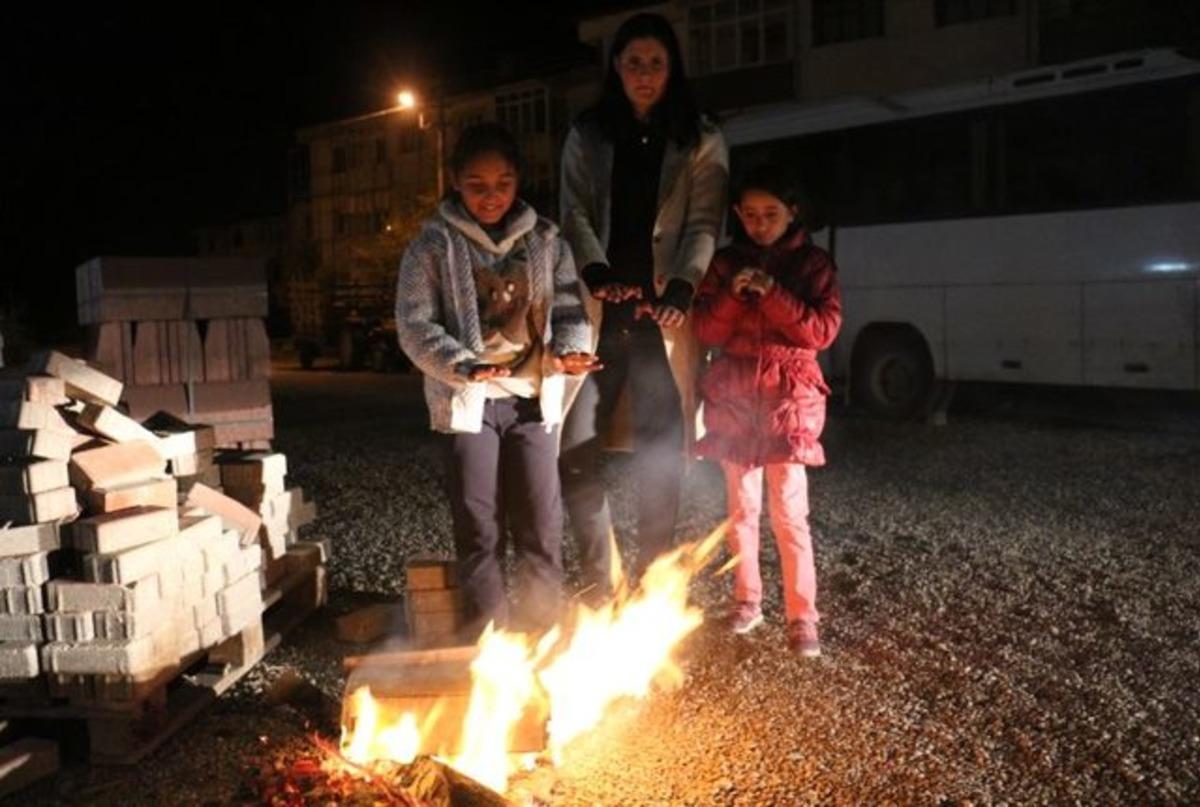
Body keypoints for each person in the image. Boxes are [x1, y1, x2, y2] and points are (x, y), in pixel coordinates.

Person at [395, 122, 599, 638]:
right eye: (478, 184)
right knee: (480, 528)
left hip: (533, 401)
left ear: (519, 181)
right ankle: (489, 642)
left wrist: (572, 351)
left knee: (540, 526)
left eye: (503, 183)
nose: (491, 196)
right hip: (469, 404)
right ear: (456, 182)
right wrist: (463, 366)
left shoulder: (547, 241)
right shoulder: (432, 246)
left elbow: (573, 307)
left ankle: (540, 635)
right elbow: (414, 325)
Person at [559, 12, 728, 594]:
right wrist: (596, 269)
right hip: (600, 313)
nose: (645, 75)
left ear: (672, 67)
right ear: (616, 67)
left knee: (661, 447)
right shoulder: (589, 132)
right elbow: (575, 209)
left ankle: (652, 576)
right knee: (574, 441)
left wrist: (683, 283)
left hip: (662, 316)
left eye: (656, 63)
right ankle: (600, 578)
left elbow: (705, 221)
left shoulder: (699, 136)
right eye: (633, 63)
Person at [692, 164, 843, 657]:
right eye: (751, 214)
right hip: (736, 394)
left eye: (771, 214)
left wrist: (773, 294)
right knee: (741, 510)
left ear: (792, 213)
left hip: (788, 397)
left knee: (790, 513)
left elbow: (820, 333)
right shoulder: (725, 263)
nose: (760, 223)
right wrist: (735, 296)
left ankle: (803, 618)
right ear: (737, 213)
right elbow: (707, 331)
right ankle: (747, 600)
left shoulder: (813, 264)